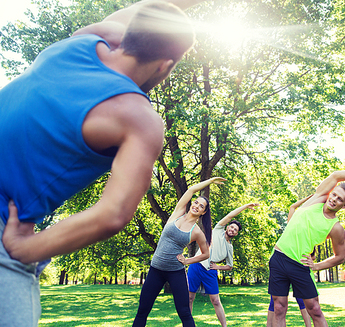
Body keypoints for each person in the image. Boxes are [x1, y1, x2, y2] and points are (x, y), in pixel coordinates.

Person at [0, 0, 205, 325]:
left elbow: (143, 12)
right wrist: (24, 249)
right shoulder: (138, 118)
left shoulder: (88, 38)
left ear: (130, 34)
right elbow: (112, 214)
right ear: (165, 66)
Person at [269, 170, 345, 327]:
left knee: (315, 309)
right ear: (330, 193)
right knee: (279, 308)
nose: (334, 199)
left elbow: (340, 257)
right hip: (279, 257)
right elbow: (336, 176)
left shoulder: (336, 228)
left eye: (340, 200)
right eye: (334, 195)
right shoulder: (317, 199)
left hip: (300, 265)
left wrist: (317, 266)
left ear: (344, 206)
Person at [133, 177, 224, 327]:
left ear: (203, 212)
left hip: (175, 272)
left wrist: (187, 261)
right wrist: (211, 180)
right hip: (155, 270)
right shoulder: (178, 213)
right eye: (196, 202)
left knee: (184, 313)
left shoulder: (197, 232)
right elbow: (191, 190)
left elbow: (206, 254)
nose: (196, 206)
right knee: (143, 310)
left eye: (201, 206)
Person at [187, 202, 259, 326]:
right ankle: (187, 324)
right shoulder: (217, 230)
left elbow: (229, 266)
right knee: (189, 298)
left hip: (210, 271)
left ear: (236, 234)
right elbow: (230, 216)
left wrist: (217, 267)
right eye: (231, 227)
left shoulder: (229, 248)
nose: (232, 230)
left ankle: (224, 325)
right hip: (196, 265)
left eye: (235, 230)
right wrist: (245, 206)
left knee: (215, 300)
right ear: (227, 227)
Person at [267, 194, 313, 327]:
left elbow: (312, 254)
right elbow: (293, 206)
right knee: (276, 303)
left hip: (298, 265)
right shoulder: (292, 225)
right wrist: (310, 197)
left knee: (303, 300)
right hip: (279, 262)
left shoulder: (309, 231)